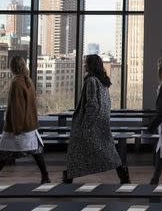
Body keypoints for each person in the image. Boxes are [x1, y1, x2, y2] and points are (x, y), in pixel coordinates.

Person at [62, 54, 130, 184]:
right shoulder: (102, 81)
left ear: (90, 65)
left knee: (76, 149)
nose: (84, 65)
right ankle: (123, 173)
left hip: (92, 123)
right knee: (107, 150)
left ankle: (68, 177)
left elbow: (91, 104)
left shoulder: (91, 81)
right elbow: (106, 103)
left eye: (86, 63)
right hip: (102, 122)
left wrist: (85, 124)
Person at [0, 56, 50, 184]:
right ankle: (45, 176)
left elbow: (17, 107)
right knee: (35, 151)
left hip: (17, 125)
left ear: (12, 67)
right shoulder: (28, 80)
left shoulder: (16, 82)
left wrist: (17, 128)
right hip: (29, 124)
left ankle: (45, 176)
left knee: (4, 151)